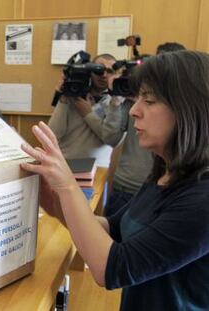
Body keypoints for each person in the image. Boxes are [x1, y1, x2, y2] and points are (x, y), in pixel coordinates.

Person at [20, 50, 209, 310]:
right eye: (137, 98)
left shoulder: (202, 199)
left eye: (149, 100)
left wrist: (67, 185)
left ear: (190, 109)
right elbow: (113, 230)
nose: (134, 111)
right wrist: (54, 203)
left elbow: (112, 268)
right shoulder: (164, 173)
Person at [103, 43, 186, 217]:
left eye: (149, 101)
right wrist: (116, 101)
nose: (135, 111)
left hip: (161, 188)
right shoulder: (133, 100)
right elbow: (111, 137)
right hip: (128, 187)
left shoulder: (194, 193)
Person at [48, 53, 118, 168]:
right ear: (89, 71)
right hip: (66, 166)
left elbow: (111, 138)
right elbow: (53, 135)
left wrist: (87, 113)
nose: (104, 75)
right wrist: (64, 98)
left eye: (109, 71)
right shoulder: (72, 96)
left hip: (99, 169)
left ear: (115, 75)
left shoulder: (116, 103)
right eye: (98, 70)